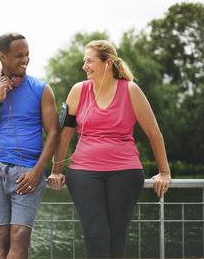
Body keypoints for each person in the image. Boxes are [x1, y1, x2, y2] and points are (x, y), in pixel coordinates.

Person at [47, 40, 171, 258]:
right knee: (96, 234)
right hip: (83, 171)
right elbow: (65, 133)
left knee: (117, 237)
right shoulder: (79, 90)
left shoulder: (130, 89)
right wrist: (56, 170)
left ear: (108, 63)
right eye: (84, 61)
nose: (84, 66)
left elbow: (154, 133)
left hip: (126, 172)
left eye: (90, 61)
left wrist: (165, 171)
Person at [0, 32, 60, 259]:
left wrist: (38, 171)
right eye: (19, 55)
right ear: (3, 57)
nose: (26, 59)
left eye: (27, 54)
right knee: (0, 240)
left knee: (19, 236)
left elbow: (53, 134)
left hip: (28, 171)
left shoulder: (42, 89)